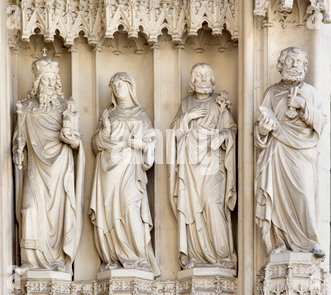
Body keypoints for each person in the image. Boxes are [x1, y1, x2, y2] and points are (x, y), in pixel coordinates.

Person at [13, 52, 85, 274]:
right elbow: (19, 137)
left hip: (60, 168)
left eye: (53, 80)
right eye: (45, 79)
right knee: (30, 209)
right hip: (35, 167)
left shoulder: (67, 107)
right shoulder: (24, 108)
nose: (50, 84)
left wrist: (74, 142)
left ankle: (58, 260)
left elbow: (76, 140)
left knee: (59, 215)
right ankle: (31, 260)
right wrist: (18, 149)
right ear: (37, 81)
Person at [255, 47, 327, 258]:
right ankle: (280, 243)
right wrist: (263, 129)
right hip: (278, 151)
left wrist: (302, 105)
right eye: (290, 61)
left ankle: (309, 242)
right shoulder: (271, 92)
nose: (294, 65)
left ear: (305, 66)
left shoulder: (310, 92)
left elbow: (321, 123)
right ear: (281, 65)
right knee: (278, 200)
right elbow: (259, 129)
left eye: (298, 61)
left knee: (305, 195)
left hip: (303, 151)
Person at [89, 72, 161, 277]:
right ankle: (113, 257)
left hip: (131, 170)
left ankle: (137, 257)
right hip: (107, 172)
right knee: (110, 211)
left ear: (130, 87)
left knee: (131, 209)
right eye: (114, 86)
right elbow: (96, 144)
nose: (117, 89)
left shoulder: (140, 114)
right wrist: (105, 130)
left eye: (121, 85)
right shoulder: (108, 115)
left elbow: (151, 142)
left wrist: (141, 145)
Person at [167, 63, 237, 269]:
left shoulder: (219, 103)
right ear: (192, 81)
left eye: (207, 75)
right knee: (193, 208)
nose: (203, 78)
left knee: (212, 205)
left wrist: (222, 136)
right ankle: (197, 255)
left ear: (212, 79)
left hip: (212, 164)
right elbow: (173, 133)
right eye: (199, 75)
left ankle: (221, 254)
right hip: (190, 166)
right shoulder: (186, 103)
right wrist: (187, 118)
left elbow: (231, 129)